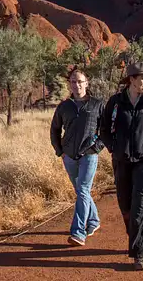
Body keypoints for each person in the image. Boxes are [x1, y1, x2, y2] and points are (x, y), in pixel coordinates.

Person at [100, 62, 143, 271]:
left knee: (140, 206)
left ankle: (139, 254)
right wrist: (113, 147)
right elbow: (103, 128)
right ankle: (135, 236)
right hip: (121, 160)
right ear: (131, 80)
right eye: (142, 78)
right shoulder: (116, 102)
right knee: (126, 207)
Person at [50, 69, 105, 246]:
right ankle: (94, 220)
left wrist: (96, 148)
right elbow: (55, 129)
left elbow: (106, 130)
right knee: (82, 192)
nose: (76, 85)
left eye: (80, 81)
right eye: (73, 82)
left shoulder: (97, 104)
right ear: (70, 84)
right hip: (69, 156)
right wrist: (61, 151)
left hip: (89, 155)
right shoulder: (64, 106)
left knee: (82, 190)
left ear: (87, 83)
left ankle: (78, 232)